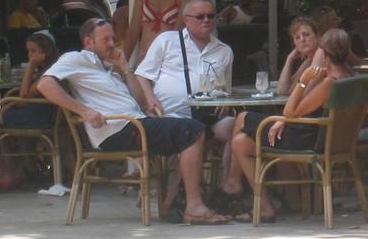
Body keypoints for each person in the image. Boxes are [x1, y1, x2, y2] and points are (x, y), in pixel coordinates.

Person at [35, 17, 227, 224]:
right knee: (194, 131)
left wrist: (125, 69)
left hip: (137, 123)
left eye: (113, 39)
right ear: (89, 43)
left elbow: (143, 103)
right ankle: (193, 206)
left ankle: (172, 204)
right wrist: (84, 111)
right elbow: (44, 85)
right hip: (118, 130)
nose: (112, 44)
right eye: (105, 39)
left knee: (203, 132)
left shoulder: (109, 68)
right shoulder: (75, 59)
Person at [229, 28, 358, 222]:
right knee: (240, 142)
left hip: (306, 139)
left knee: (242, 118)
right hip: (326, 138)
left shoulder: (330, 83)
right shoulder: (349, 77)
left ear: (326, 53)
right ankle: (265, 203)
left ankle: (235, 186)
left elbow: (290, 111)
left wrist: (304, 82)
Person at [136, 0, 237, 192]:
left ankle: (227, 187)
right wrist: (149, 98)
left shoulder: (224, 51)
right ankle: (185, 193)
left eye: (210, 16)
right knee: (194, 132)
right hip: (171, 115)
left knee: (237, 128)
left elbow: (226, 88)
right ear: (186, 19)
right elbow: (142, 74)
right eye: (200, 16)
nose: (206, 20)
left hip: (209, 117)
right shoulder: (167, 40)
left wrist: (226, 100)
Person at [0, 31, 60, 192]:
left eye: (33, 51)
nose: (30, 55)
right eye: (29, 51)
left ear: (45, 52)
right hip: (37, 110)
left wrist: (31, 66)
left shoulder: (48, 73)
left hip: (40, 115)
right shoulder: (51, 68)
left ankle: (2, 172)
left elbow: (24, 94)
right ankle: (11, 169)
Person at [276, 16, 319, 95]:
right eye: (297, 37)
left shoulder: (320, 55)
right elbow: (282, 91)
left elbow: (298, 94)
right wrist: (289, 59)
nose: (302, 39)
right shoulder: (309, 60)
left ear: (317, 36)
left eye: (306, 34)